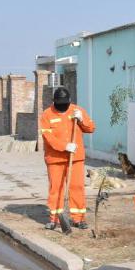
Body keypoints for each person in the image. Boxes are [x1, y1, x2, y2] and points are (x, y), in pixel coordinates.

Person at [39, 87, 96, 230]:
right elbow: (47, 137)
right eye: (59, 103)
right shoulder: (47, 114)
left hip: (75, 158)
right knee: (56, 188)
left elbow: (91, 128)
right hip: (55, 158)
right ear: (54, 101)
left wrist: (82, 120)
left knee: (76, 187)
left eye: (64, 103)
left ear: (69, 101)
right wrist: (65, 146)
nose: (62, 106)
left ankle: (78, 219)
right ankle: (55, 219)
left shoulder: (77, 111)